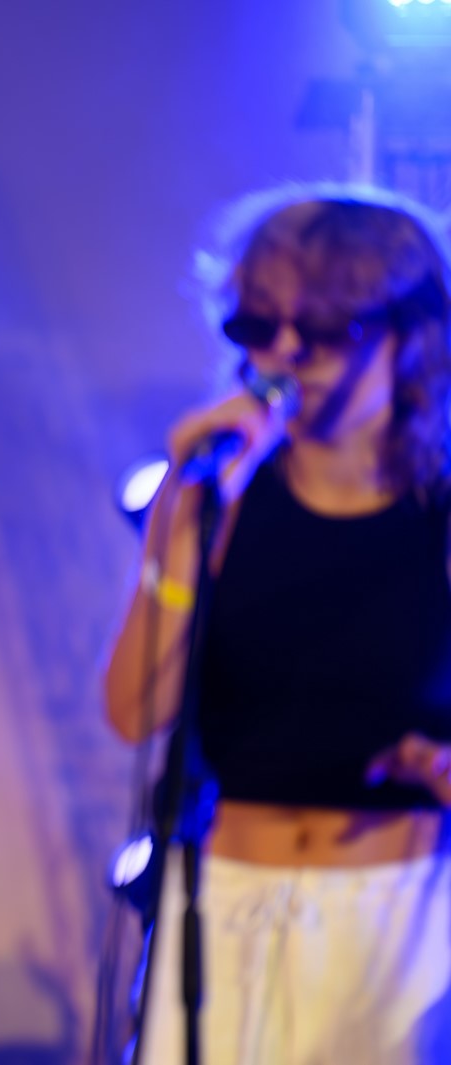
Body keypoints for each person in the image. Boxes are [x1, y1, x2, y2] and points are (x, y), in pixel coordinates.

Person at [104, 186, 451, 1064]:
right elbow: (133, 712)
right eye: (258, 326)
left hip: (393, 912)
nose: (287, 352)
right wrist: (183, 526)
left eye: (324, 327)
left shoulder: (437, 510)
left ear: (409, 337)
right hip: (221, 899)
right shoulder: (217, 497)